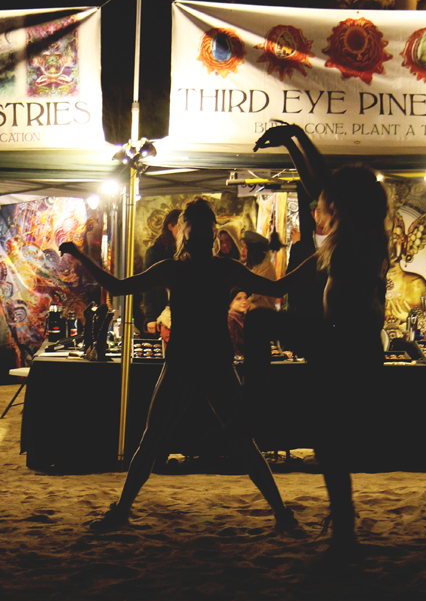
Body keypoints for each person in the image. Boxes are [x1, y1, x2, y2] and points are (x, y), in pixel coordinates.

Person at [58, 198, 312, 533]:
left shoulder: (202, 269)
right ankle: (280, 514)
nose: (202, 236)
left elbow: (119, 287)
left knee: (175, 441)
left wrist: (316, 258)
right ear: (189, 233)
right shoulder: (188, 269)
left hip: (201, 362)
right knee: (169, 441)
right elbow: (119, 287)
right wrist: (80, 256)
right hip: (192, 362)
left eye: (203, 230)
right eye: (197, 229)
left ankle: (281, 513)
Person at [254, 124, 390, 556]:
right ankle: (343, 526)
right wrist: (291, 143)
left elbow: (323, 184)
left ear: (347, 202)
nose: (322, 204)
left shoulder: (361, 237)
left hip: (345, 343)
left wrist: (296, 136)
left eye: (333, 200)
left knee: (329, 439)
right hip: (338, 340)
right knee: (328, 439)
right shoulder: (358, 232)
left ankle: (253, 401)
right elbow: (321, 187)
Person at [141, 208, 181, 337]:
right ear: (170, 227)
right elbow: (147, 285)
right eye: (180, 226)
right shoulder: (155, 252)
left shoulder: (186, 251)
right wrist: (150, 317)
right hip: (160, 311)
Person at [228, 289, 250, 359]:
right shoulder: (230, 320)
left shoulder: (243, 318)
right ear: (230, 302)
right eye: (238, 299)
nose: (244, 302)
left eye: (245, 298)